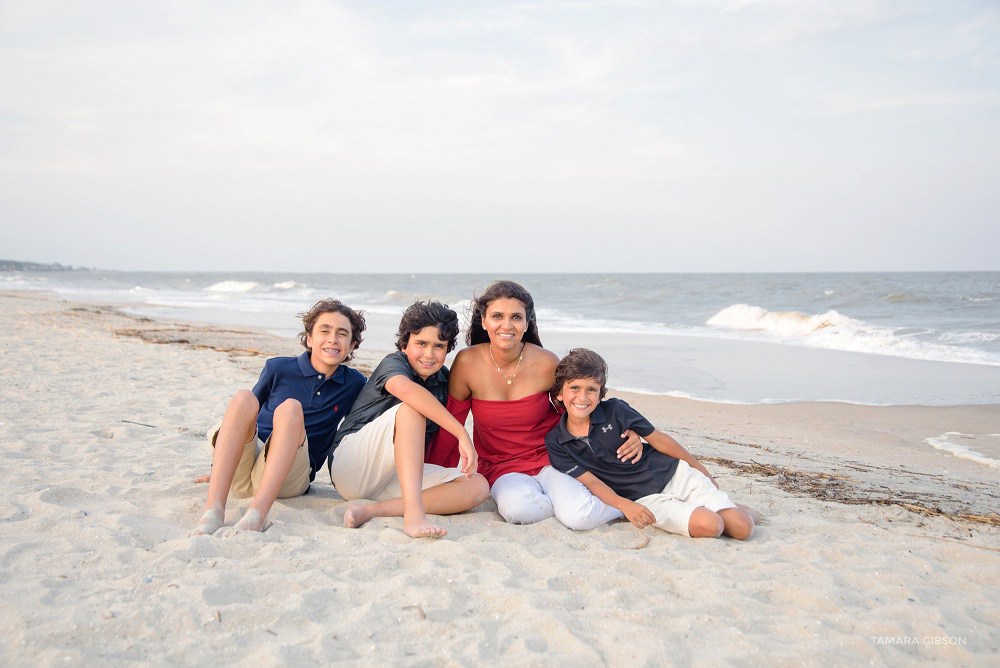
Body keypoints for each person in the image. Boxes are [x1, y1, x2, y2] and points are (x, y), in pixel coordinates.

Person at [426, 280, 641, 528]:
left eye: (516, 317)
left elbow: (579, 409)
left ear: (526, 323)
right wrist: (433, 474)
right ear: (484, 321)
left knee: (581, 517)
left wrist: (628, 431)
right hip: (501, 468)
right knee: (519, 512)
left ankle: (619, 504)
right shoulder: (466, 363)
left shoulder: (546, 363)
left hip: (553, 460)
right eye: (497, 316)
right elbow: (452, 424)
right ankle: (567, 505)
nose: (507, 326)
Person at [191, 299, 367, 536]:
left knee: (290, 409)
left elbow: (364, 424)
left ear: (352, 344)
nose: (332, 339)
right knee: (243, 398)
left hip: (289, 478)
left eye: (342, 334)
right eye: (324, 331)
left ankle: (257, 515)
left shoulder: (354, 383)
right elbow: (243, 417)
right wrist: (218, 467)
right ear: (310, 338)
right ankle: (212, 512)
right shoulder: (278, 368)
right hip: (243, 471)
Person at [545, 349, 754, 539]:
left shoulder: (616, 410)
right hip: (646, 500)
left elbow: (660, 440)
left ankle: (729, 507)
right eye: (574, 387)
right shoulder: (557, 441)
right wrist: (625, 505)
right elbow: (592, 483)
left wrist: (700, 469)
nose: (583, 397)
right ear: (560, 393)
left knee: (742, 529)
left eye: (591, 389)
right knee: (712, 526)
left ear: (601, 395)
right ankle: (718, 507)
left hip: (673, 474)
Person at [330, 301, 488, 538]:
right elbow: (407, 391)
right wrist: (461, 432)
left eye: (439, 346)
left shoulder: (444, 380)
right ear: (405, 343)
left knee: (477, 486)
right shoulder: (393, 364)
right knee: (413, 409)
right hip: (351, 466)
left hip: (397, 477)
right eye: (421, 343)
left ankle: (370, 511)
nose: (429, 354)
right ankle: (414, 516)